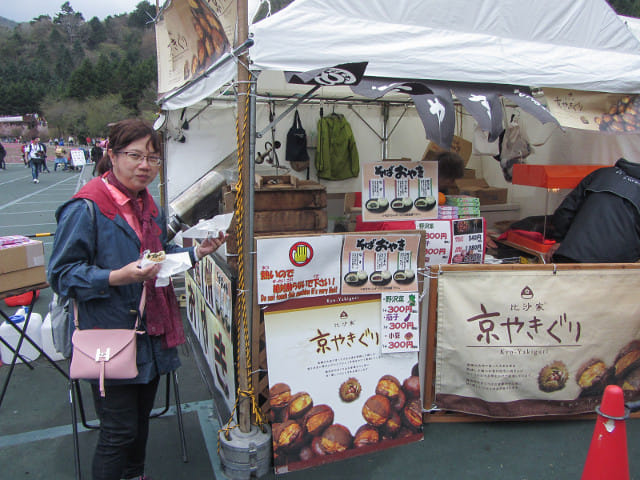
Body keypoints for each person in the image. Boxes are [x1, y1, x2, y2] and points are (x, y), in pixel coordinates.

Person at [48, 118, 226, 480]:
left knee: (140, 422)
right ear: (111, 155)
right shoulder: (86, 208)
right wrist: (117, 276)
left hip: (152, 333)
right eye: (134, 155)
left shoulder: (148, 206)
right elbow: (61, 275)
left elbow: (158, 256)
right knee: (118, 431)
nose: (145, 166)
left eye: (152, 158)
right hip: (108, 334)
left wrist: (197, 252)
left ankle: (134, 475)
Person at [544, 158, 640, 263]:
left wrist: (561, 241)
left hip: (572, 255)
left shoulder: (603, 173)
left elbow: (565, 211)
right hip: (614, 268)